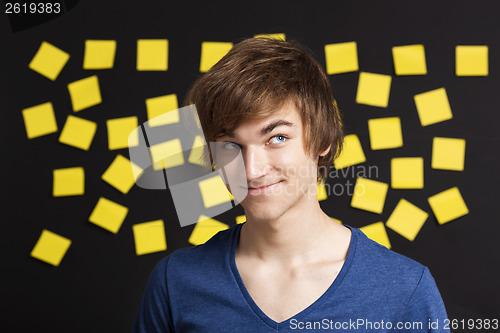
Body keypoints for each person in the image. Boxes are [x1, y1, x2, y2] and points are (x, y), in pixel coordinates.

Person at [133, 37, 449, 332]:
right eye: (230, 145)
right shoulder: (175, 283)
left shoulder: (405, 289)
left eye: (277, 138)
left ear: (322, 138)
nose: (251, 170)